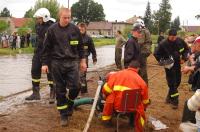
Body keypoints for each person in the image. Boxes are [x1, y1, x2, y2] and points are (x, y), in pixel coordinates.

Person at [41, 8, 87, 126]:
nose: (67, 20)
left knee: (77, 86)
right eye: (64, 18)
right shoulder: (52, 30)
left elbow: (81, 47)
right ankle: (63, 114)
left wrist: (83, 61)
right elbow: (46, 49)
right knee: (60, 90)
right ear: (59, 17)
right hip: (57, 63)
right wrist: (45, 64)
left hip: (72, 62)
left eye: (69, 17)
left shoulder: (75, 29)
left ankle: (70, 102)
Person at [101, 60, 150, 132]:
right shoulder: (142, 82)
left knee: (111, 96)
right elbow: (145, 101)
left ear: (128, 67)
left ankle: (107, 119)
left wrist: (104, 95)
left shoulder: (117, 74)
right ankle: (132, 122)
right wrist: (144, 108)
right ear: (138, 68)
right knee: (139, 103)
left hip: (117, 106)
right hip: (133, 107)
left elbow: (106, 89)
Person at [25, 8, 56, 104]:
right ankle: (35, 93)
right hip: (38, 52)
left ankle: (53, 92)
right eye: (37, 18)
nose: (37, 20)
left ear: (45, 18)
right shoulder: (38, 25)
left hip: (49, 53)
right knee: (34, 70)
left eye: (39, 18)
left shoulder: (53, 26)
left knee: (50, 73)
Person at [154, 29, 189, 109]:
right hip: (169, 66)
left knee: (177, 82)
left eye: (175, 37)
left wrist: (184, 58)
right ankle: (175, 101)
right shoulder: (163, 43)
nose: (173, 39)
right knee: (172, 83)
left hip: (177, 64)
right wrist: (162, 61)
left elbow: (186, 50)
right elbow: (156, 54)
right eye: (172, 37)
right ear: (168, 36)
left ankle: (169, 97)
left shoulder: (180, 41)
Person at [78, 22, 97, 94]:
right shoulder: (75, 36)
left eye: (83, 28)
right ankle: (79, 89)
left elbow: (93, 49)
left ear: (85, 29)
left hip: (85, 58)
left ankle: (83, 91)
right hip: (76, 58)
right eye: (80, 28)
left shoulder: (88, 38)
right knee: (76, 75)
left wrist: (94, 58)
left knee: (82, 75)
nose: (81, 29)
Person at [135, 18, 152, 85]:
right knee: (143, 69)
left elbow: (140, 42)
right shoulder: (146, 30)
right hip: (144, 51)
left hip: (143, 52)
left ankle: (142, 85)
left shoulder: (142, 31)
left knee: (142, 70)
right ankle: (144, 85)